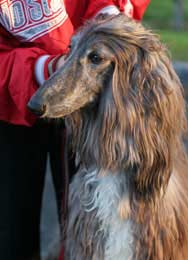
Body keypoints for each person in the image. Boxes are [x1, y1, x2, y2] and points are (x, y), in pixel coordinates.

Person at [0, 1, 150, 259]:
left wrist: (108, 14)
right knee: (10, 228)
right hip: (8, 102)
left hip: (87, 102)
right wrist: (45, 68)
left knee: (86, 230)